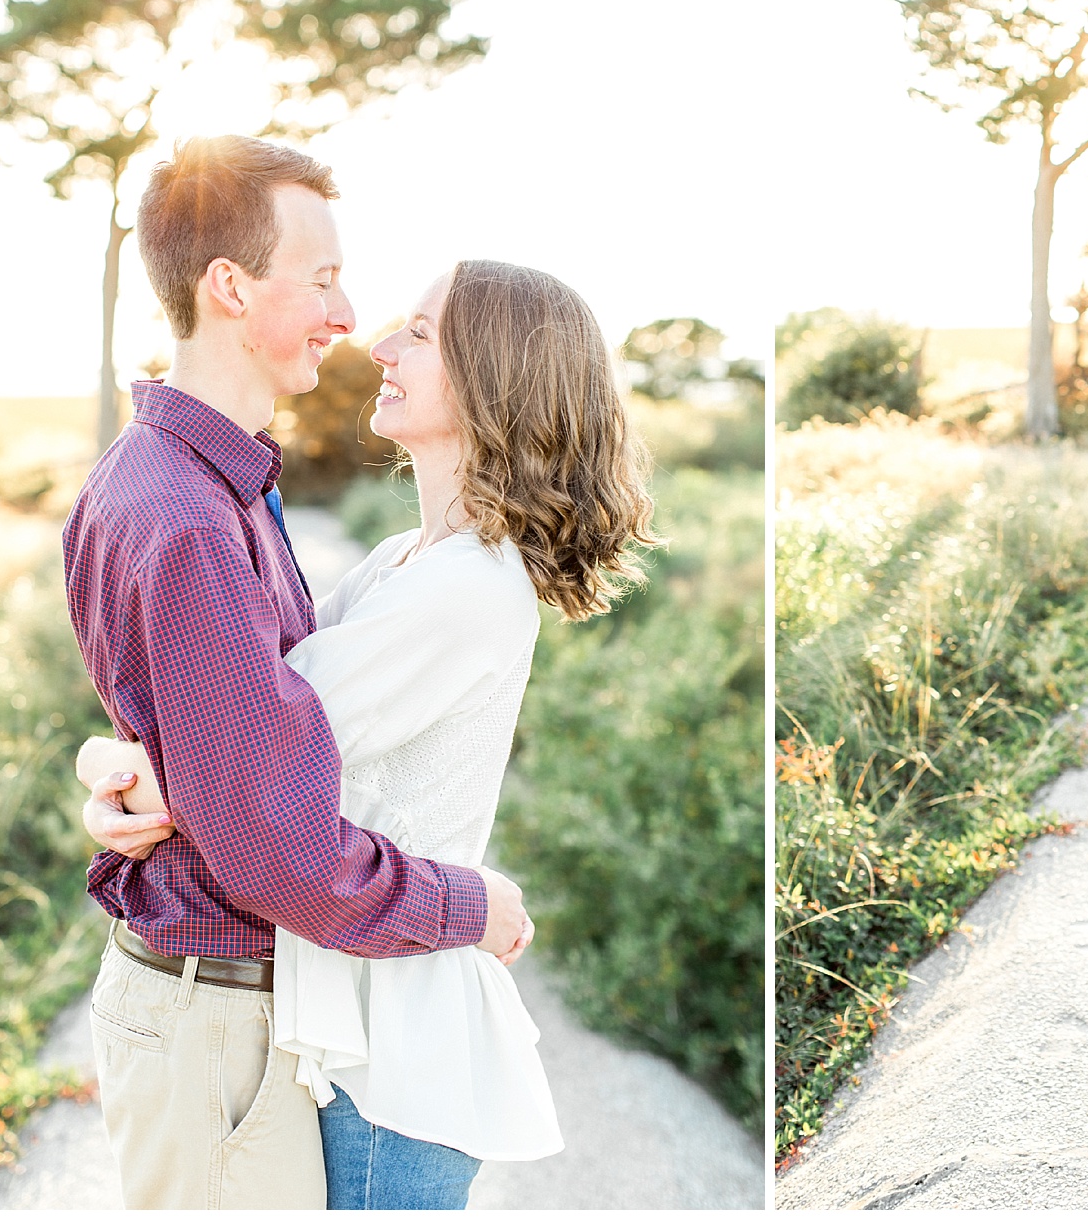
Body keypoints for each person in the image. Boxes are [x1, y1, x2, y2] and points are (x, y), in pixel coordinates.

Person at [81, 256, 659, 1206]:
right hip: (358, 1018)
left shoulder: (468, 588)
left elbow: (248, 748)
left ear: (495, 380)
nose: (380, 346)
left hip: (401, 1055)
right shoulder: (404, 562)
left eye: (420, 334)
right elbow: (233, 717)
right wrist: (106, 763)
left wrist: (126, 774)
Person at [63, 136, 528, 1209]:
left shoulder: (207, 484)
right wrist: (473, 901)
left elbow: (220, 725)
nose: (346, 312)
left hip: (230, 1001)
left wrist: (137, 766)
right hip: (212, 1010)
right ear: (230, 285)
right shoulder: (186, 515)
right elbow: (273, 840)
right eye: (321, 280)